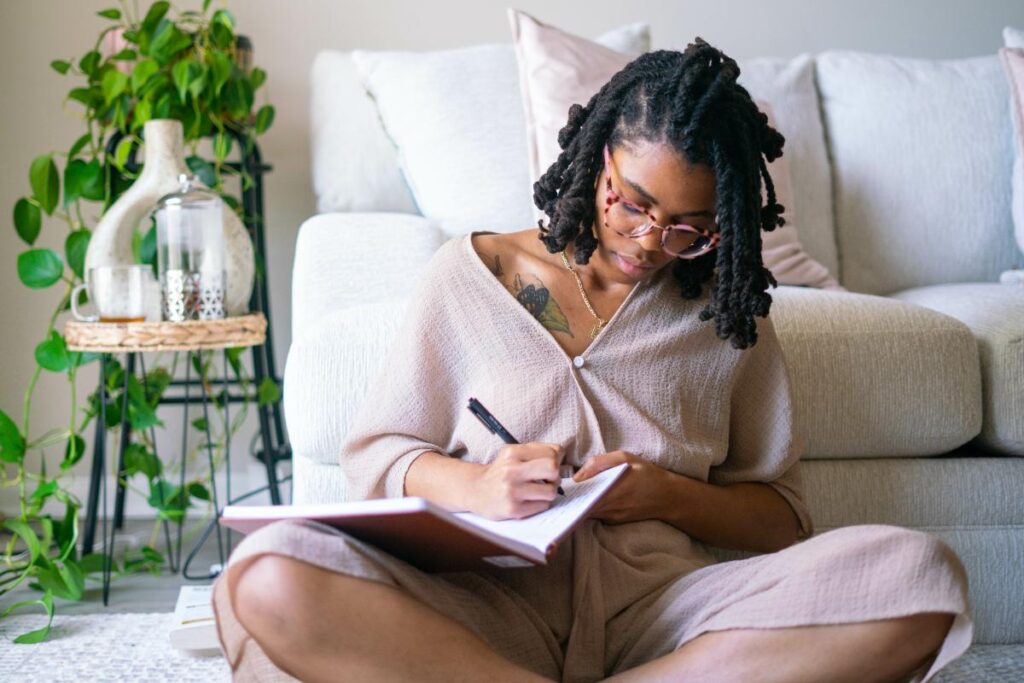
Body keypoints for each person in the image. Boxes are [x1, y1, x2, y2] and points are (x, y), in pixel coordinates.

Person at [212, 38, 973, 682]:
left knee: (921, 579)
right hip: (488, 608)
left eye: (688, 229)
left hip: (667, 618)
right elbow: (379, 453)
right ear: (599, 158)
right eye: (632, 203)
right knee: (266, 574)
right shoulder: (470, 276)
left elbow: (781, 516)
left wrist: (662, 494)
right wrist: (478, 485)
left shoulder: (724, 313)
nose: (649, 241)